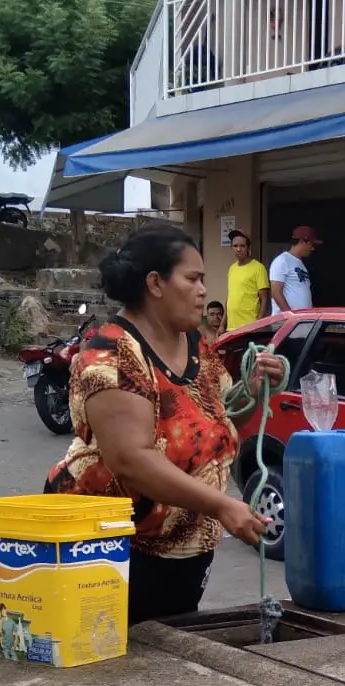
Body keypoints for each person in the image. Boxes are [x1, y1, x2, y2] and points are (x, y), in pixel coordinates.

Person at [44, 224, 279, 622]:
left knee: (169, 660)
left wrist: (253, 391)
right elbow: (131, 460)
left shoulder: (195, 345)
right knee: (110, 668)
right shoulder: (110, 353)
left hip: (185, 550)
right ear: (155, 283)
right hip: (107, 549)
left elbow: (215, 424)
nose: (204, 290)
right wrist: (222, 505)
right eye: (193, 278)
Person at [224, 230, 269, 328]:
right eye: (235, 246)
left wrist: (258, 324)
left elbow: (264, 299)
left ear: (248, 247)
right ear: (231, 247)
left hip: (250, 326)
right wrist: (222, 325)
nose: (238, 249)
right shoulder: (232, 268)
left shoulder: (258, 268)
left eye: (242, 246)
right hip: (231, 326)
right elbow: (229, 299)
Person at [269, 226, 319, 312]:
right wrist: (289, 316)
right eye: (311, 244)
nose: (312, 248)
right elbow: (276, 292)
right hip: (286, 321)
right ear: (302, 241)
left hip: (302, 320)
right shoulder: (282, 260)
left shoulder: (300, 264)